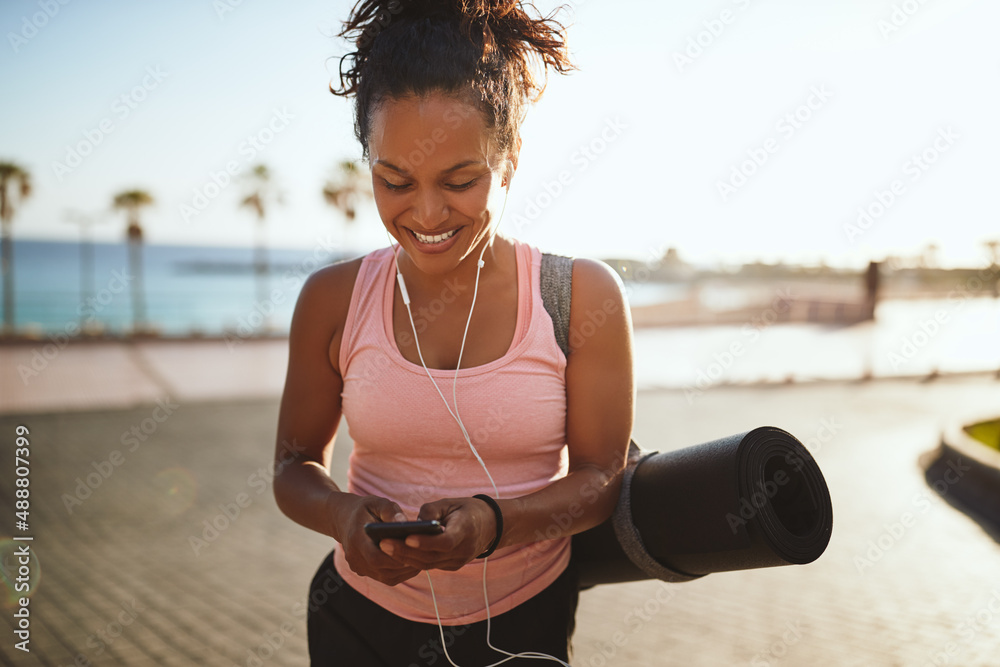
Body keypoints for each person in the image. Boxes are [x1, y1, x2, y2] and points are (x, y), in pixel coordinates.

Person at [272, 1, 635, 664]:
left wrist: (494, 525)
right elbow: (293, 467)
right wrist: (344, 517)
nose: (428, 213)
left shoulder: (581, 297)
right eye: (394, 180)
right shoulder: (333, 299)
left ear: (512, 156)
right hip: (356, 621)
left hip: (522, 623)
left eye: (462, 180)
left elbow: (601, 477)